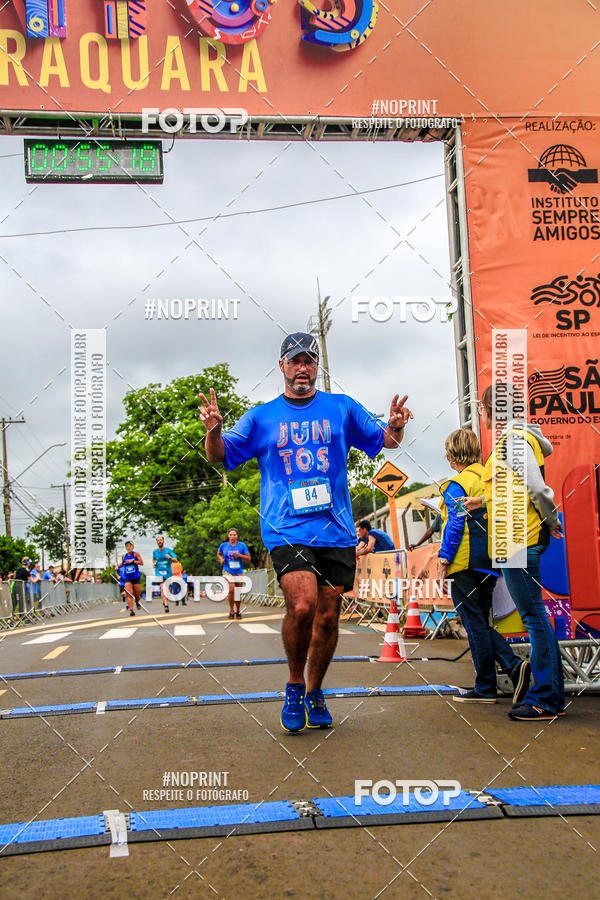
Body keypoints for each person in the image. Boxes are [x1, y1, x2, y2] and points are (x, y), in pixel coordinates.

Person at [201, 331, 412, 733]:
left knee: (329, 617)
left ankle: (316, 690)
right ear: (282, 366)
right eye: (295, 361)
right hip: (287, 527)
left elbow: (384, 440)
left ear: (317, 367)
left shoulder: (341, 408)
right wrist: (213, 430)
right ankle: (295, 684)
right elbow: (220, 457)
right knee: (302, 606)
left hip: (335, 530)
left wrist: (396, 427)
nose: (303, 368)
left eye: (309, 361)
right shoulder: (262, 417)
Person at [462, 385, 565, 721]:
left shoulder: (513, 441)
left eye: (482, 407)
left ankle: (546, 698)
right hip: (516, 540)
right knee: (535, 617)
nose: (481, 414)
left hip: (519, 540)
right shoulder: (514, 441)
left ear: (492, 409)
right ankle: (547, 695)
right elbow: (518, 487)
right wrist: (482, 501)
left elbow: (536, 488)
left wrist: (552, 520)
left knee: (535, 618)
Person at [436, 428, 530, 705]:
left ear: (453, 455)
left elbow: (454, 522)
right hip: (492, 560)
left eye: (447, 452)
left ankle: (503, 673)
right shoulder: (489, 477)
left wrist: (443, 560)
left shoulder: (456, 484)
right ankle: (493, 680)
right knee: (482, 621)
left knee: (474, 622)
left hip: (464, 561)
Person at [217, 528, 251, 619]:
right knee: (231, 589)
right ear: (228, 536)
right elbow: (219, 554)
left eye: (234, 535)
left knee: (237, 592)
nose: (232, 536)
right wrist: (221, 559)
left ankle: (238, 610)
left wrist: (239, 555)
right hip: (227, 570)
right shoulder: (223, 545)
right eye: (230, 535)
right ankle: (231, 610)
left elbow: (248, 558)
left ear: (237, 536)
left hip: (239, 571)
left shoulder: (242, 545)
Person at [153, 535, 177, 613]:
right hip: (159, 573)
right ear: (157, 542)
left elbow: (175, 560)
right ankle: (166, 605)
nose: (160, 541)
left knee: (167, 590)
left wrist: (169, 557)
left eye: (161, 540)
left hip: (168, 573)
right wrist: (154, 563)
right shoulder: (155, 552)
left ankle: (165, 600)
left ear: (163, 541)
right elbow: (154, 559)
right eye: (158, 540)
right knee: (163, 588)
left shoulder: (168, 550)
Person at [121, 541, 143, 617]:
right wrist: (118, 566)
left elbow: (141, 562)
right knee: (129, 593)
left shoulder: (136, 554)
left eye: (130, 546)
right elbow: (122, 563)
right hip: (127, 577)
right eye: (127, 546)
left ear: (132, 547)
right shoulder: (124, 556)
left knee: (137, 594)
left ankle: (137, 601)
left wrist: (133, 561)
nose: (128, 547)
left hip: (136, 577)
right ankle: (131, 610)